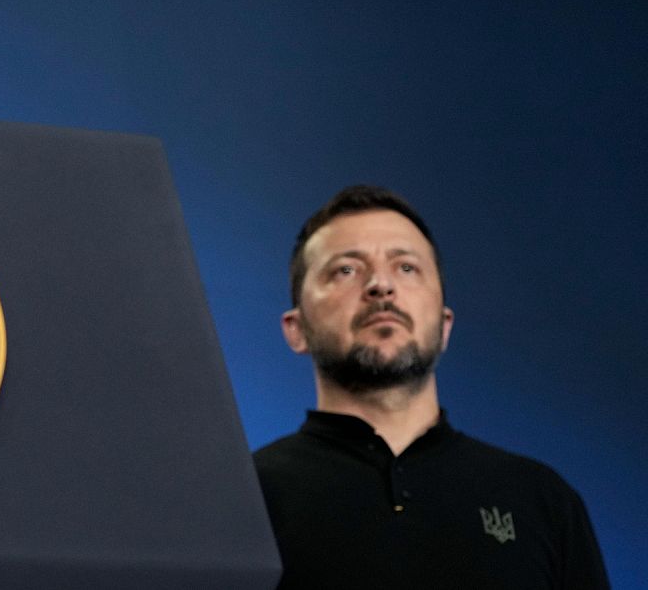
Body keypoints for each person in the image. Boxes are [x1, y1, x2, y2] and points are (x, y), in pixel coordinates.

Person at [254, 185, 610, 589]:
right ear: (295, 328)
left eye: (406, 267)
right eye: (346, 270)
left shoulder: (543, 501)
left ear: (444, 326)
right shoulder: (245, 501)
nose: (380, 286)